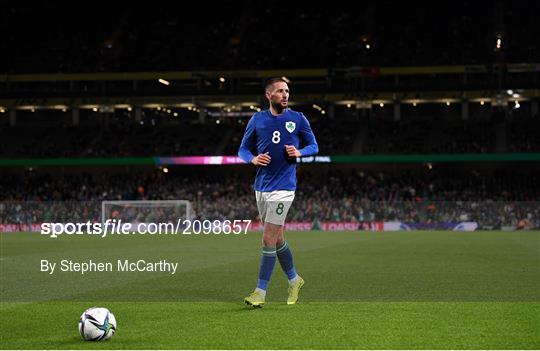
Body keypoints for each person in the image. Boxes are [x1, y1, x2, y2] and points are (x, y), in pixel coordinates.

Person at [238, 77, 319, 307]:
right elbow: (242, 149)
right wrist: (253, 158)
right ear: (269, 95)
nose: (285, 95)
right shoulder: (257, 120)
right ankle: (295, 280)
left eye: (287, 91)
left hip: (284, 188)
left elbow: (314, 145)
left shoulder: (297, 118)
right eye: (280, 91)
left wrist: (300, 152)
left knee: (267, 238)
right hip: (262, 187)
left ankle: (259, 293)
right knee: (278, 237)